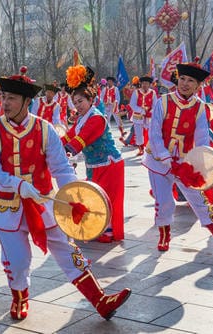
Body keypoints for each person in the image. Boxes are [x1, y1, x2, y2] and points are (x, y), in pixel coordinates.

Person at [0, 69, 131, 320]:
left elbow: (61, 168)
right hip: (7, 207)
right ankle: (19, 297)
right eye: (3, 97)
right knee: (18, 261)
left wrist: (74, 197)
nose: (5, 103)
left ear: (27, 102)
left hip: (42, 202)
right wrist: (17, 185)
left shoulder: (44, 129)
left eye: (12, 98)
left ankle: (100, 299)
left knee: (69, 251)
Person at [142, 60, 213, 252]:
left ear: (198, 86)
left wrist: (198, 162)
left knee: (200, 200)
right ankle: (164, 235)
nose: (185, 83)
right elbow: (154, 134)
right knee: (164, 201)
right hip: (158, 161)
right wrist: (165, 158)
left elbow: (202, 138)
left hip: (185, 162)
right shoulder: (162, 101)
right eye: (182, 79)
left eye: (190, 81)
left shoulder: (199, 107)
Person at [61, 65, 125, 243]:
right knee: (94, 197)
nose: (78, 106)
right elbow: (69, 136)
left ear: (90, 100)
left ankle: (108, 231)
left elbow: (81, 140)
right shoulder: (82, 119)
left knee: (106, 197)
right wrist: (51, 146)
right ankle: (98, 227)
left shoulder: (96, 118)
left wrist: (66, 151)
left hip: (109, 164)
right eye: (75, 103)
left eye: (80, 101)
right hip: (95, 165)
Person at [129, 76, 157, 156]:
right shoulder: (136, 92)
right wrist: (141, 111)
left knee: (150, 132)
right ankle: (141, 149)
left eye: (146, 83)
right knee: (138, 133)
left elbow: (155, 104)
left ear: (149, 84)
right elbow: (132, 104)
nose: (145, 85)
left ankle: (150, 148)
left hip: (149, 116)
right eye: (143, 83)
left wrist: (151, 111)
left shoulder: (153, 92)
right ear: (140, 84)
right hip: (138, 116)